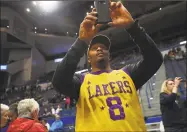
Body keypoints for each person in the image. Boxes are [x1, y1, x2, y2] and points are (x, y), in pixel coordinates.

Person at [52, 1, 163, 131]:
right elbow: (58, 81)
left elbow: (155, 59)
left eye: (103, 48)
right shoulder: (81, 81)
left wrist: (133, 27)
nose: (99, 49)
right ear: (88, 58)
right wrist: (81, 42)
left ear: (109, 55)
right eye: (94, 48)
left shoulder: (127, 74)